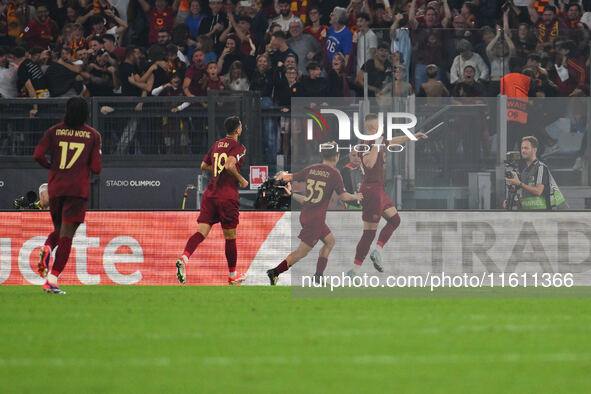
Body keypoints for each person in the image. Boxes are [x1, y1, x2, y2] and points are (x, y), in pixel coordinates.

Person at [33, 97, 102, 294]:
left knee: (59, 229)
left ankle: (47, 247)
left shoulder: (54, 131)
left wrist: (51, 167)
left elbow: (38, 155)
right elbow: (96, 168)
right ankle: (52, 280)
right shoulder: (92, 135)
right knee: (67, 236)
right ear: (85, 113)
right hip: (76, 191)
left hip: (56, 188)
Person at [266, 143, 363, 285]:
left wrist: (280, 179)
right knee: (301, 253)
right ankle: (275, 272)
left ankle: (318, 276)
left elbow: (289, 177)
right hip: (315, 220)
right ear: (336, 157)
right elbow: (343, 197)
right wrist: (356, 197)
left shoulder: (312, 169)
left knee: (330, 241)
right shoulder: (335, 174)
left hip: (307, 214)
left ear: (323, 155)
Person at [348, 114, 427, 276]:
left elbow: (393, 141)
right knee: (369, 233)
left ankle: (377, 251)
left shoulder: (377, 141)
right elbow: (368, 163)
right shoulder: (366, 144)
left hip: (379, 190)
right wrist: (377, 143)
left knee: (395, 219)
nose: (383, 128)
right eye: (380, 126)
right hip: (371, 191)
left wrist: (413, 136)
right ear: (374, 129)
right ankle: (355, 270)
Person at [175, 116, 249, 285]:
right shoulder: (238, 147)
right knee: (230, 237)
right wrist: (241, 179)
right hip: (227, 195)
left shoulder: (217, 144)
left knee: (201, 232)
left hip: (211, 193)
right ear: (238, 130)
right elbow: (230, 165)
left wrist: (219, 169)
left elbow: (203, 165)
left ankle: (184, 258)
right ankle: (232, 275)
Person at [504, 136, 564, 210]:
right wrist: (514, 202)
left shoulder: (540, 167)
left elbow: (538, 191)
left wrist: (519, 183)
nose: (523, 151)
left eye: (526, 148)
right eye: (522, 148)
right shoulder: (524, 171)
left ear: (534, 150)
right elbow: (527, 197)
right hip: (528, 215)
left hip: (541, 215)